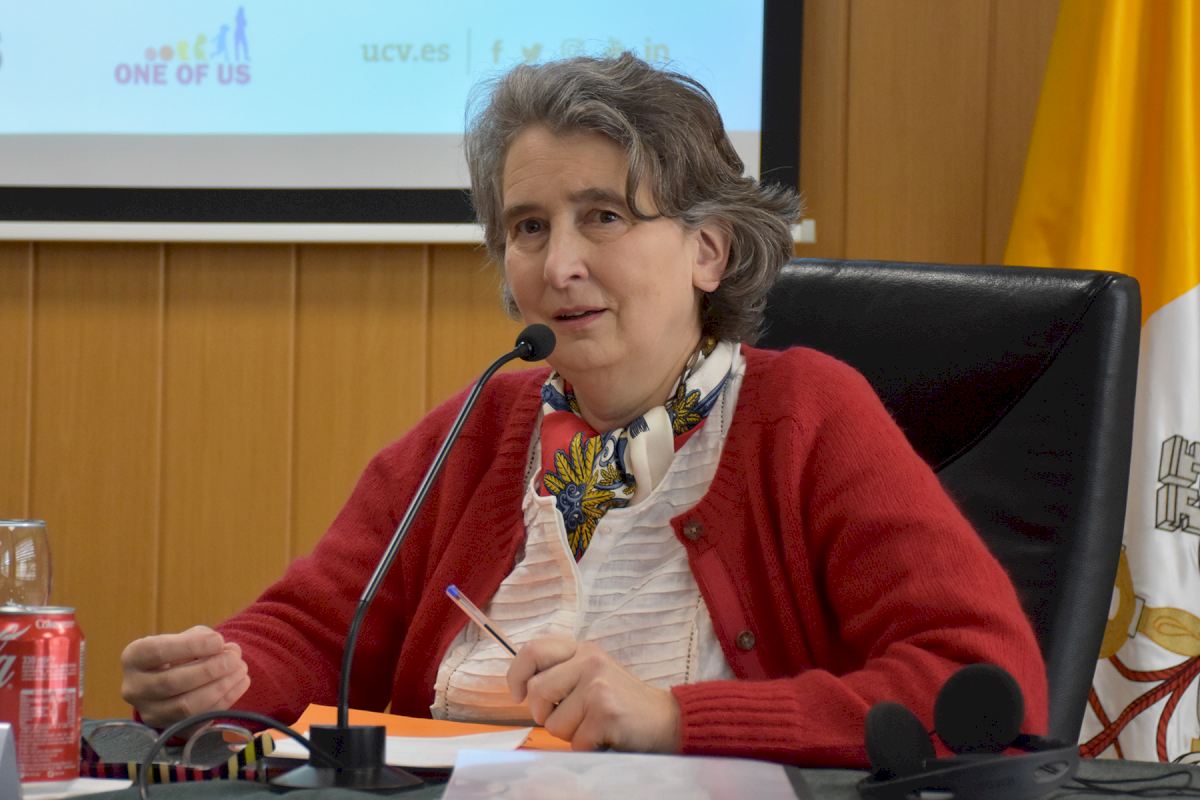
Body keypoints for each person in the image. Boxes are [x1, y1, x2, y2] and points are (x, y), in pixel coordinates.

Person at [121, 53, 1047, 766]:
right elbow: (317, 629)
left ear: (709, 251)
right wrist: (223, 674)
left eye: (603, 216)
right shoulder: (477, 430)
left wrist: (677, 718)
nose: (559, 265)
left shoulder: (805, 416)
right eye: (529, 227)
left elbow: (983, 686)